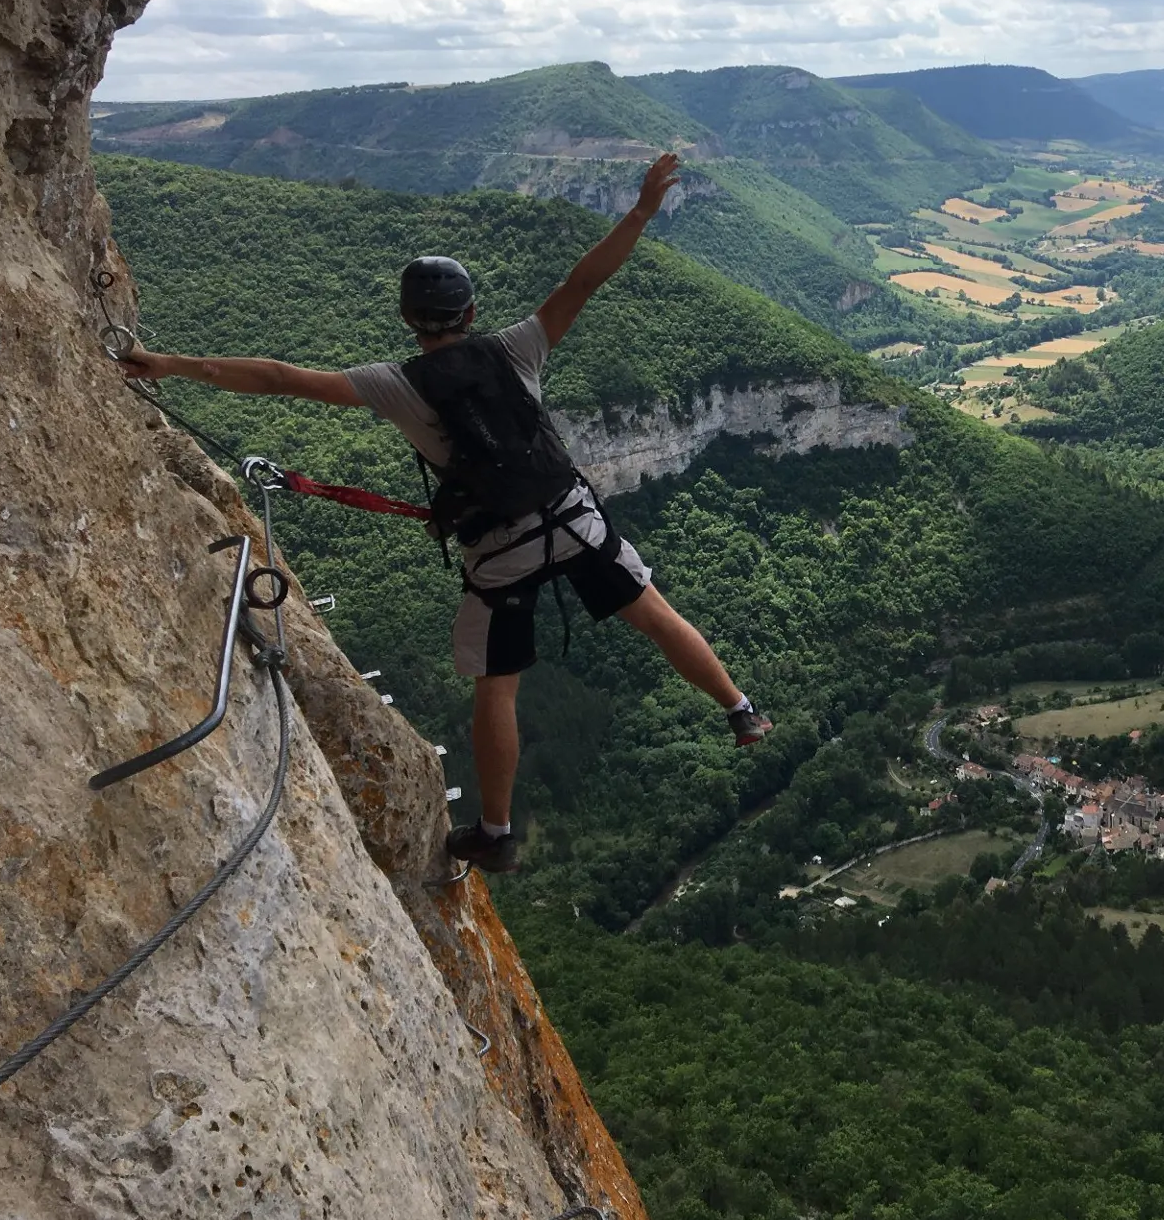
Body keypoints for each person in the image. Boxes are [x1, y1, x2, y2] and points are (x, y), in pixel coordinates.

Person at [119, 153, 769, 872]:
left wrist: (172, 363)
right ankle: (739, 708)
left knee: (499, 688)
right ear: (471, 314)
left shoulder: (394, 385)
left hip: (502, 549)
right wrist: (643, 210)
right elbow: (583, 280)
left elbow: (278, 379)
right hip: (573, 516)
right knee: (653, 614)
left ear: (408, 320)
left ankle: (494, 831)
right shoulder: (518, 347)